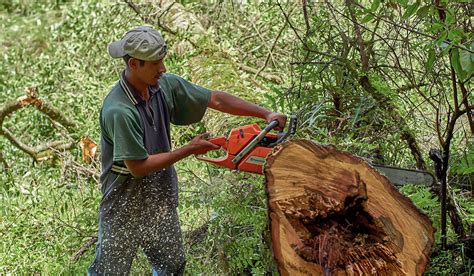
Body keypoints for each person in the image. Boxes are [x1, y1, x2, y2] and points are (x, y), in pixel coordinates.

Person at [88, 26, 286, 275]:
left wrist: (264, 113)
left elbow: (215, 99)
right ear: (134, 64)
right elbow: (137, 167)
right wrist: (189, 149)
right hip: (123, 203)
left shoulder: (163, 87)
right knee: (109, 272)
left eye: (163, 61)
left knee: (171, 266)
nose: (163, 69)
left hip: (160, 196)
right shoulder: (119, 110)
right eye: (155, 64)